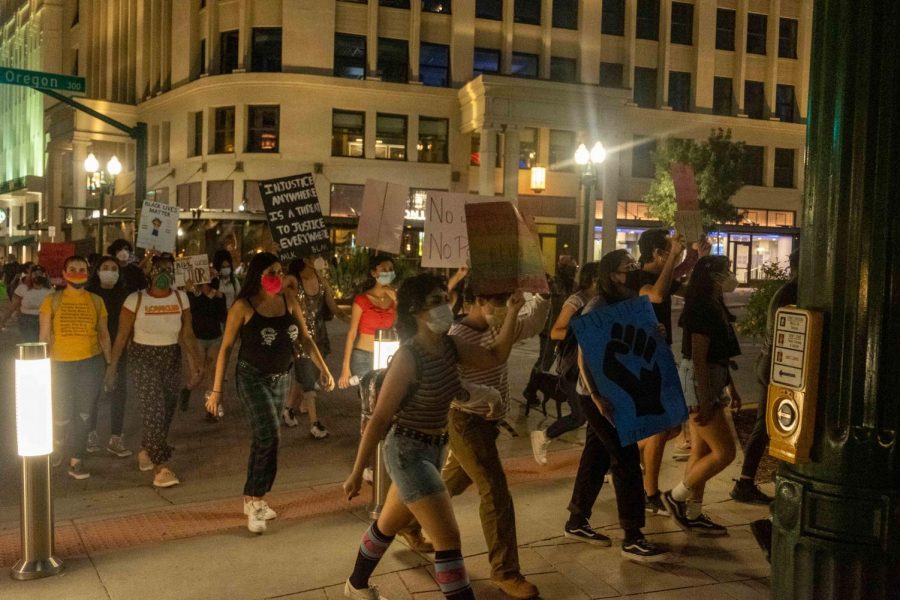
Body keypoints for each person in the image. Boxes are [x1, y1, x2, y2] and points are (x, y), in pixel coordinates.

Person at [341, 273, 525, 600]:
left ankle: (355, 586)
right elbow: (381, 418)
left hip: (435, 449)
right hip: (407, 453)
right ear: (415, 311)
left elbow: (496, 355)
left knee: (387, 525)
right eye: (435, 301)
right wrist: (357, 471)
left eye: (445, 298)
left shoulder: (450, 345)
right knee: (448, 538)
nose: (445, 306)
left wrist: (512, 311)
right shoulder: (408, 357)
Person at [205, 252, 334, 534]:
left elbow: (305, 337)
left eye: (279, 271)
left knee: (266, 438)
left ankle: (253, 498)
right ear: (258, 276)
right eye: (271, 273)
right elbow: (226, 348)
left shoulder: (289, 300)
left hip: (281, 378)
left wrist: (323, 369)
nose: (277, 277)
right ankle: (256, 501)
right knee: (269, 434)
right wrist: (217, 390)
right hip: (252, 377)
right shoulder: (243, 306)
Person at [442, 284, 549, 598]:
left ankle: (406, 520)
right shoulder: (458, 336)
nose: (505, 306)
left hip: (488, 423)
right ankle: (505, 572)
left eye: (507, 300)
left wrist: (542, 294)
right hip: (465, 421)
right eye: (499, 300)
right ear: (478, 299)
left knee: (447, 484)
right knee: (495, 491)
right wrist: (486, 397)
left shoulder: (499, 325)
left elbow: (533, 322)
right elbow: (455, 383)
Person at [563, 249, 670, 561]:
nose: (633, 271)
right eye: (628, 268)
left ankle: (576, 520)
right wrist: (595, 396)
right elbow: (584, 352)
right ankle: (633, 536)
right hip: (598, 395)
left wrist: (654, 331)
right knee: (625, 459)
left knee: (596, 457)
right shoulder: (598, 304)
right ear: (612, 274)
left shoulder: (629, 301)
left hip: (614, 392)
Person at [105, 255, 203, 488]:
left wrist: (196, 362)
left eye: (169, 270)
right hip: (142, 358)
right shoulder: (135, 300)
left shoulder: (181, 298)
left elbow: (186, 334)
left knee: (167, 409)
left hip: (170, 356)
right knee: (154, 409)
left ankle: (147, 449)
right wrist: (113, 367)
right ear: (149, 273)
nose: (164, 274)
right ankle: (161, 467)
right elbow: (121, 335)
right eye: (159, 269)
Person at [626, 229, 705, 516]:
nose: (676, 254)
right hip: (642, 359)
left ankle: (626, 457)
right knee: (660, 427)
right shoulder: (637, 278)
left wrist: (700, 259)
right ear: (658, 253)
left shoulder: (663, 277)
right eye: (669, 251)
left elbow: (689, 289)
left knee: (672, 425)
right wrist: (676, 255)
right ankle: (650, 494)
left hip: (660, 356)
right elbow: (656, 296)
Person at [661, 256, 742, 536]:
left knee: (702, 451)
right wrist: (706, 398)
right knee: (725, 452)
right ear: (712, 277)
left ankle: (693, 513)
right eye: (725, 271)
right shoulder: (702, 308)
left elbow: (720, 353)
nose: (730, 276)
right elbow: (698, 358)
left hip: (711, 379)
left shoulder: (713, 303)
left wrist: (730, 385)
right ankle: (676, 496)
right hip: (700, 382)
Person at [731, 250, 799, 504]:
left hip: (769, 363)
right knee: (772, 424)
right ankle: (747, 482)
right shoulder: (795, 292)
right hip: (778, 366)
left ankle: (746, 481)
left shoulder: (786, 290)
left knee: (766, 424)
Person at [39, 256, 111, 480]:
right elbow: (43, 336)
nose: (78, 272)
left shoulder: (97, 301)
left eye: (82, 269)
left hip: (90, 363)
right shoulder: (52, 300)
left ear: (88, 274)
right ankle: (58, 445)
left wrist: (110, 365)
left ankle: (76, 459)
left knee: (83, 413)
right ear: (64, 272)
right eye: (72, 269)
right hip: (59, 364)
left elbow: (104, 335)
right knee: (60, 412)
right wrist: (41, 365)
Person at [530, 262, 601, 465]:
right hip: (573, 368)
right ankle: (544, 436)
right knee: (579, 417)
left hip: (593, 365)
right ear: (593, 278)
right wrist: (585, 330)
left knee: (598, 417)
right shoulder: (576, 301)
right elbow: (556, 331)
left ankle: (601, 461)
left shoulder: (602, 300)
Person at [281, 255, 349, 437]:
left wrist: (352, 320)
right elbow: (277, 287)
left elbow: (334, 309)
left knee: (305, 377)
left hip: (319, 336)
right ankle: (314, 423)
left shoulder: (322, 281)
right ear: (305, 259)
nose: (320, 259)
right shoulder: (294, 280)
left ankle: (288, 408)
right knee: (309, 381)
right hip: (300, 338)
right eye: (313, 256)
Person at [85, 256, 133, 458]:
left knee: (118, 392)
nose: (110, 271)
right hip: (93, 350)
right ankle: (90, 433)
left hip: (119, 348)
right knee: (92, 393)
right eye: (105, 267)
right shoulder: (89, 295)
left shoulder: (126, 295)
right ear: (97, 271)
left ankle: (116, 436)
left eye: (114, 268)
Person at [521, 256, 576, 406]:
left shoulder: (572, 284)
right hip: (548, 328)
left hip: (562, 328)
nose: (572, 270)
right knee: (544, 361)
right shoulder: (553, 283)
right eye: (570, 267)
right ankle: (530, 390)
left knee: (554, 360)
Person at [338, 254, 397, 389]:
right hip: (363, 356)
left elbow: (400, 326)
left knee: (383, 397)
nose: (388, 272)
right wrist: (345, 367)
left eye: (390, 269)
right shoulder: (362, 300)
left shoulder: (395, 299)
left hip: (387, 356)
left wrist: (397, 300)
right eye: (383, 269)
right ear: (373, 273)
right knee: (369, 399)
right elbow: (352, 334)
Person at [180, 276, 228, 420]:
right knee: (199, 374)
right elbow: (191, 313)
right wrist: (193, 292)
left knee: (212, 374)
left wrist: (219, 299)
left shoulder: (219, 296)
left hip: (215, 338)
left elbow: (223, 317)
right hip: (197, 339)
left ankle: (210, 409)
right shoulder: (191, 295)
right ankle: (187, 389)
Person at [0, 263, 53, 341]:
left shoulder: (50, 290)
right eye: (35, 273)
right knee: (31, 342)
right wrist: (3, 320)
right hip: (27, 321)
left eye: (40, 273)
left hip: (45, 320)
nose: (38, 275)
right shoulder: (22, 288)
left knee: (44, 343)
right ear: (30, 275)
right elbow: (12, 307)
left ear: (44, 275)